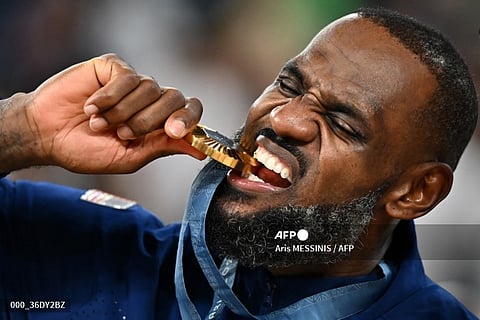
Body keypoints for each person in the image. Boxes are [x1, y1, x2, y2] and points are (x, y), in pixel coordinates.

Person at [0, 6, 478, 320]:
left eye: (342, 123)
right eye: (289, 86)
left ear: (416, 192)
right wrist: (22, 131)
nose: (285, 119)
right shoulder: (103, 259)